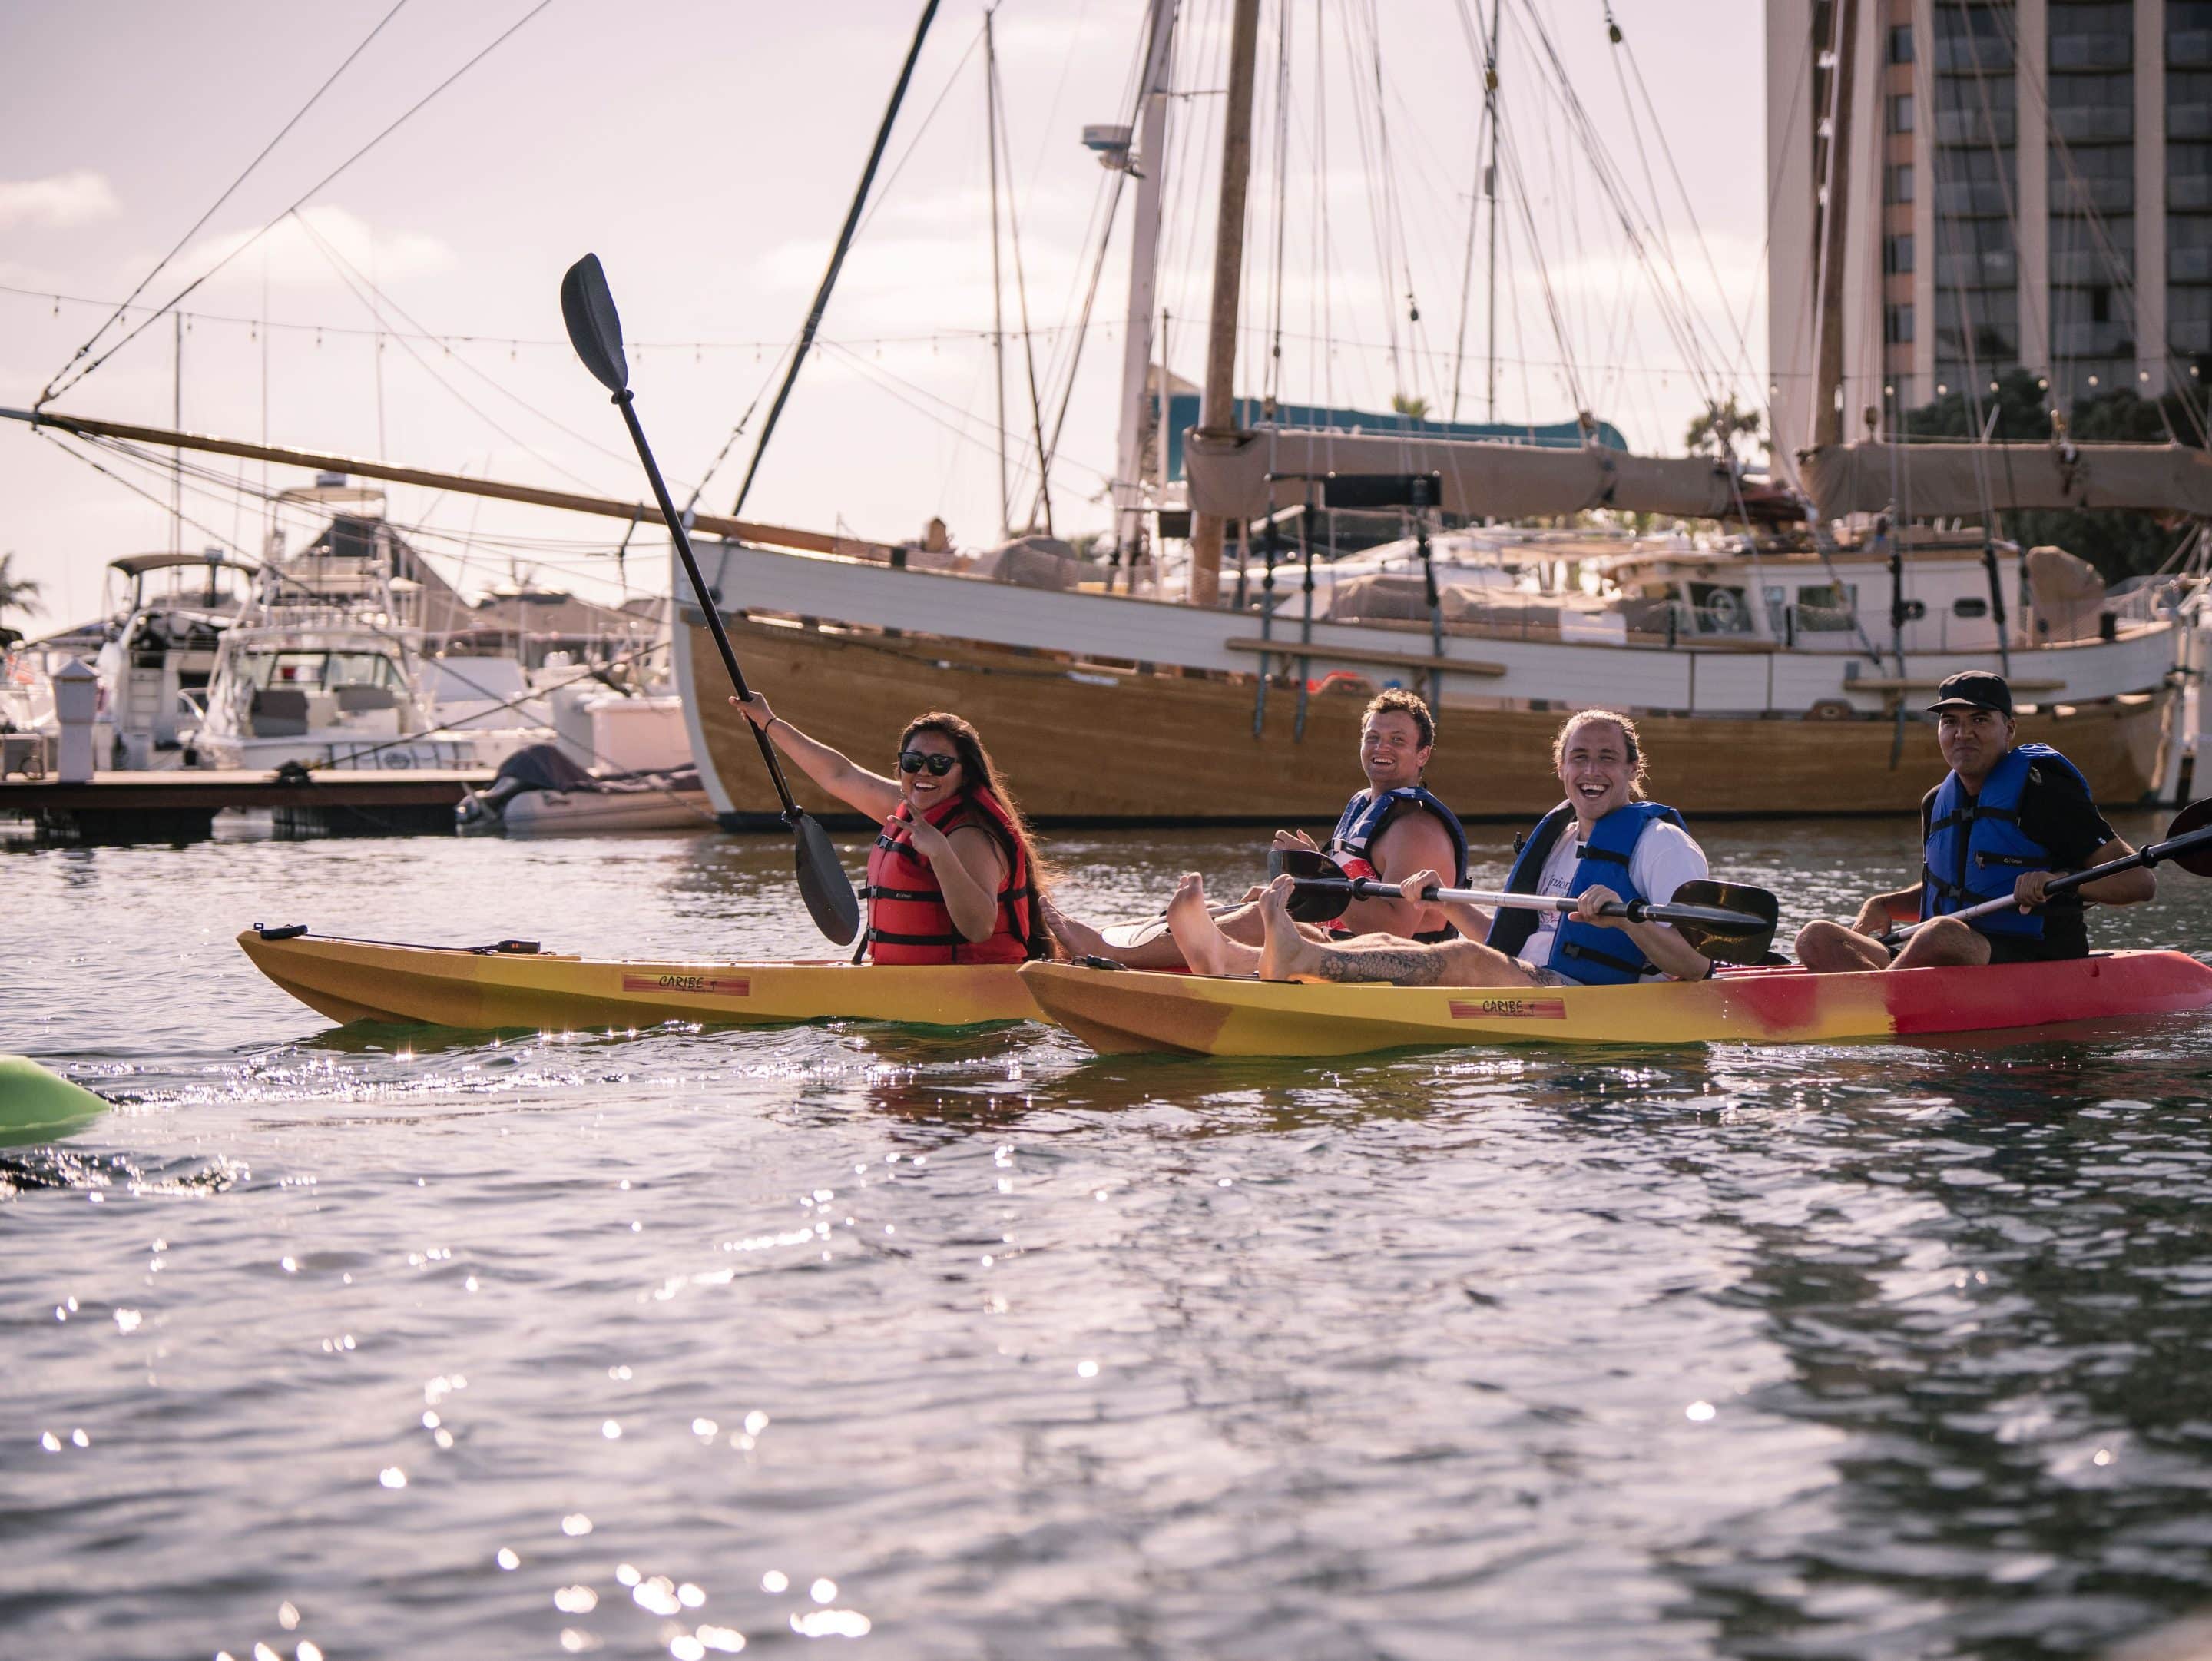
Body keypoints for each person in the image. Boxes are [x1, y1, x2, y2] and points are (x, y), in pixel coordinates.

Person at [1217, 709, 1716, 987]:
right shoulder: (1561, 840)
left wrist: (1627, 919)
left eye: (1607, 759)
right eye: (1578, 758)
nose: (1590, 772)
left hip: (1591, 997)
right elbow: (1507, 940)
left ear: (1633, 768)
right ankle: (1235, 958)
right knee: (1396, 946)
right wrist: (1448, 898)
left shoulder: (1663, 846)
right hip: (1532, 978)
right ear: (1560, 767)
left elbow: (1696, 967)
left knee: (1465, 960)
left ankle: (1300, 964)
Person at [1041, 688, 1469, 973]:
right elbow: (1344, 896)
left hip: (1400, 968)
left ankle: (1111, 955)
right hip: (1343, 946)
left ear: (1422, 754)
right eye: (1373, 737)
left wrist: (1316, 881)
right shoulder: (1365, 804)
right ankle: (1109, 945)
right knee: (1229, 910)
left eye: (1397, 740)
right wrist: (1305, 879)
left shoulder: (1416, 830)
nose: (1381, 749)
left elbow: (1397, 931)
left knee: (1253, 919)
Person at [1794, 671, 2153, 972]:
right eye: (1950, 722)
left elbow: (2139, 882)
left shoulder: (2045, 794)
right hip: (1947, 951)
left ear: (2009, 729)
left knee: (1939, 933)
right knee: (1816, 936)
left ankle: (1878, 1000)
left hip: (2031, 956)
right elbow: (1959, 884)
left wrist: (2060, 882)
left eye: (1979, 720)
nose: (1962, 734)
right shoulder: (1936, 801)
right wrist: (1885, 903)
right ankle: (1880, 995)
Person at [730, 694, 1048, 963]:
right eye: (913, 762)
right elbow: (839, 775)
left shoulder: (970, 835)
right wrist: (768, 722)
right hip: (908, 984)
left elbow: (979, 929)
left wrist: (939, 853)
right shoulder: (909, 809)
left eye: (939, 764)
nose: (924, 772)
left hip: (969, 988)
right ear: (900, 766)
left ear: (964, 775)